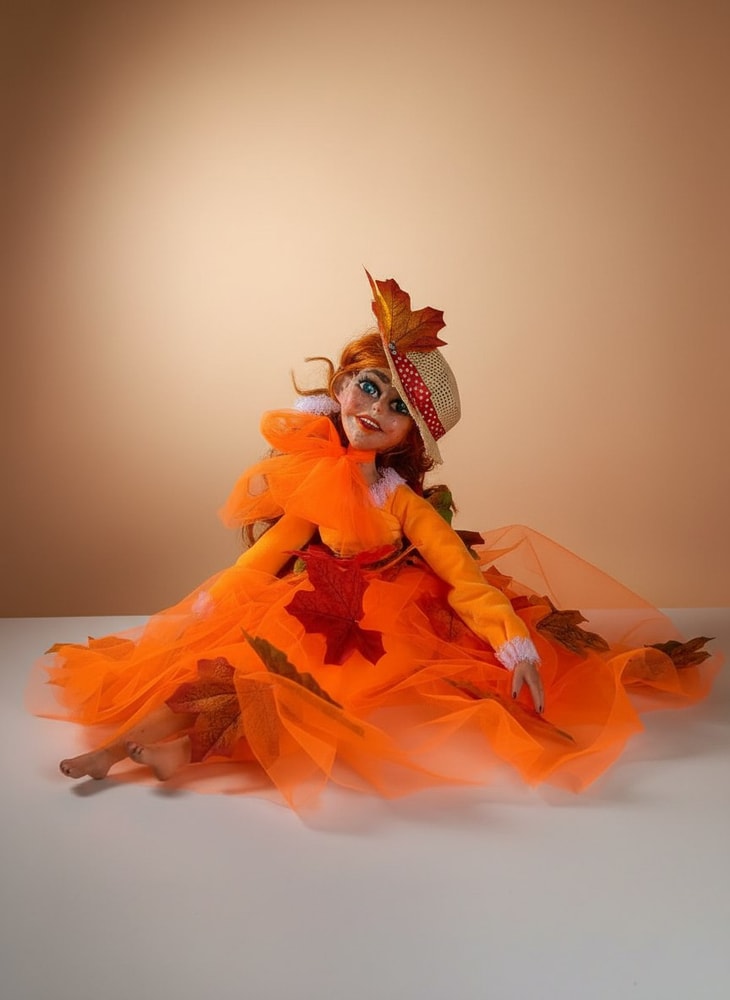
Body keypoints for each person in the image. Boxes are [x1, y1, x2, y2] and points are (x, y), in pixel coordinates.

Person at [36, 272, 717, 809]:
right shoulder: (316, 476)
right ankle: (125, 747)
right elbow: (272, 551)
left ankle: (173, 749)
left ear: (408, 439)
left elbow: (461, 574)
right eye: (369, 388)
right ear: (340, 387)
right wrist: (217, 599)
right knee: (222, 669)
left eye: (397, 410)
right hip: (310, 599)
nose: (375, 411)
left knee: (283, 689)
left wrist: (510, 639)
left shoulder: (401, 502)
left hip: (381, 613)